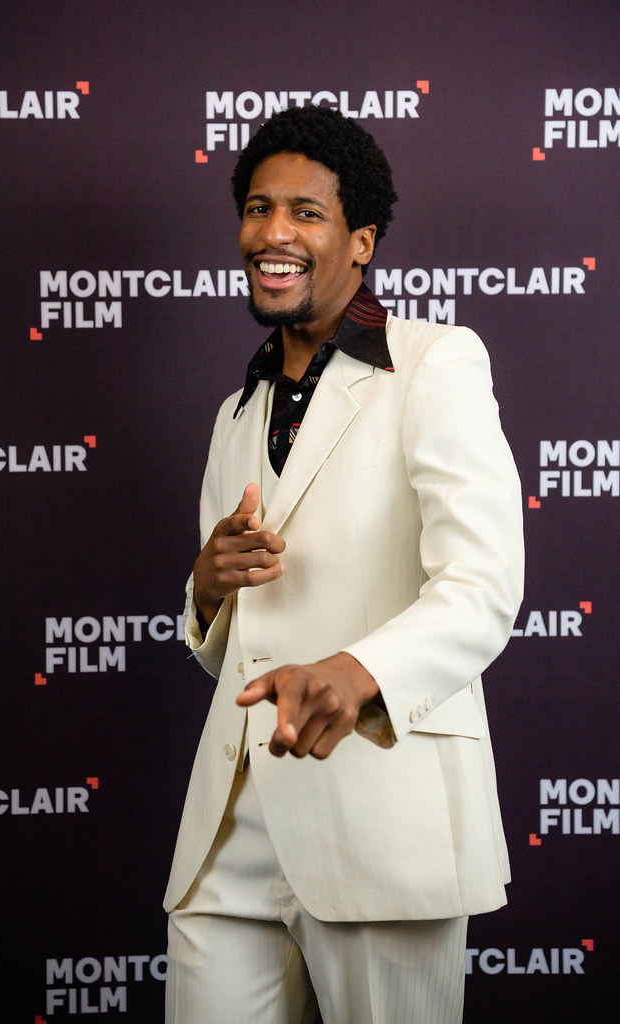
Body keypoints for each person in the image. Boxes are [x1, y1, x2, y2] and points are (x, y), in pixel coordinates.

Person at [164, 105, 524, 1024]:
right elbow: (219, 647)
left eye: (305, 213)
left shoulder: (435, 361)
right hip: (228, 834)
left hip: (379, 817)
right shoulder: (232, 413)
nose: (272, 234)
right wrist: (206, 590)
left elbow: (482, 587)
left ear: (360, 242)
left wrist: (359, 671)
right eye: (255, 208)